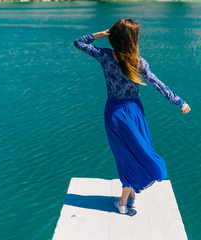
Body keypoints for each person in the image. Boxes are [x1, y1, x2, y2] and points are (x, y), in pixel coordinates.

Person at [74, 18, 191, 215]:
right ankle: (127, 199)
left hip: (115, 113)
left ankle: (126, 199)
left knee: (125, 155)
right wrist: (179, 101)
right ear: (133, 39)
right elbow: (158, 85)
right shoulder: (138, 62)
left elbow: (79, 43)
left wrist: (99, 35)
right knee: (138, 152)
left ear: (115, 36)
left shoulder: (105, 56)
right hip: (134, 112)